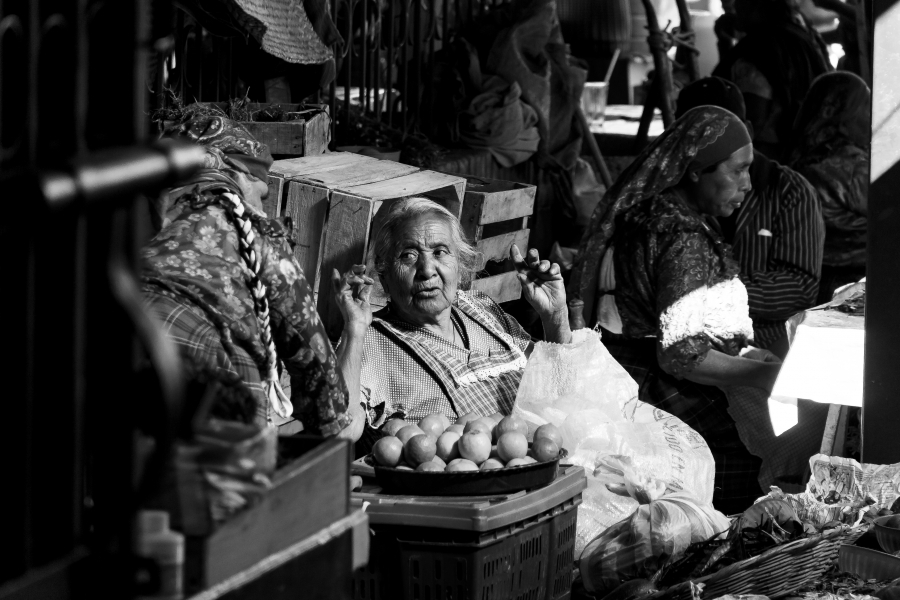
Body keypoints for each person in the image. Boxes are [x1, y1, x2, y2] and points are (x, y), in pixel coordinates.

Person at [568, 106, 782, 513]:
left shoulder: (650, 212)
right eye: (736, 171)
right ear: (696, 170)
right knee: (743, 466)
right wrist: (764, 374)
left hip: (619, 361)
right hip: (651, 378)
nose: (748, 184)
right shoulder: (682, 235)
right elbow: (681, 354)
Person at [141, 107, 364, 440]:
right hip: (200, 394)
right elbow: (322, 383)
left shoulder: (136, 226)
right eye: (260, 196)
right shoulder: (251, 231)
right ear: (234, 173)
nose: (261, 209)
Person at [332, 197, 572, 452]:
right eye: (408, 255)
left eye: (440, 252)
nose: (427, 270)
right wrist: (354, 328)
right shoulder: (371, 341)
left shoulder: (480, 309)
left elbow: (561, 388)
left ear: (459, 264)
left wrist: (555, 315)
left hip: (542, 464)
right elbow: (341, 431)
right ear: (385, 275)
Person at [675, 77, 825, 355]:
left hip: (767, 343)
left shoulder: (789, 191)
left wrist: (709, 294)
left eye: (719, 134)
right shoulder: (667, 206)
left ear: (748, 132)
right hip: (690, 347)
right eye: (696, 137)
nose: (705, 147)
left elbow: (800, 288)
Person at [788, 71, 870, 303]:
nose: (870, 115)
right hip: (855, 282)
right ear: (846, 113)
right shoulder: (853, 167)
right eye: (865, 106)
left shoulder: (799, 156)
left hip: (816, 280)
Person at [713, 0, 831, 161]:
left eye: (740, 1)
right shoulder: (799, 39)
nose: (735, 6)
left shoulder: (759, 49)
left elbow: (754, 119)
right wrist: (724, 44)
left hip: (767, 158)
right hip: (803, 153)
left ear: (757, 6)